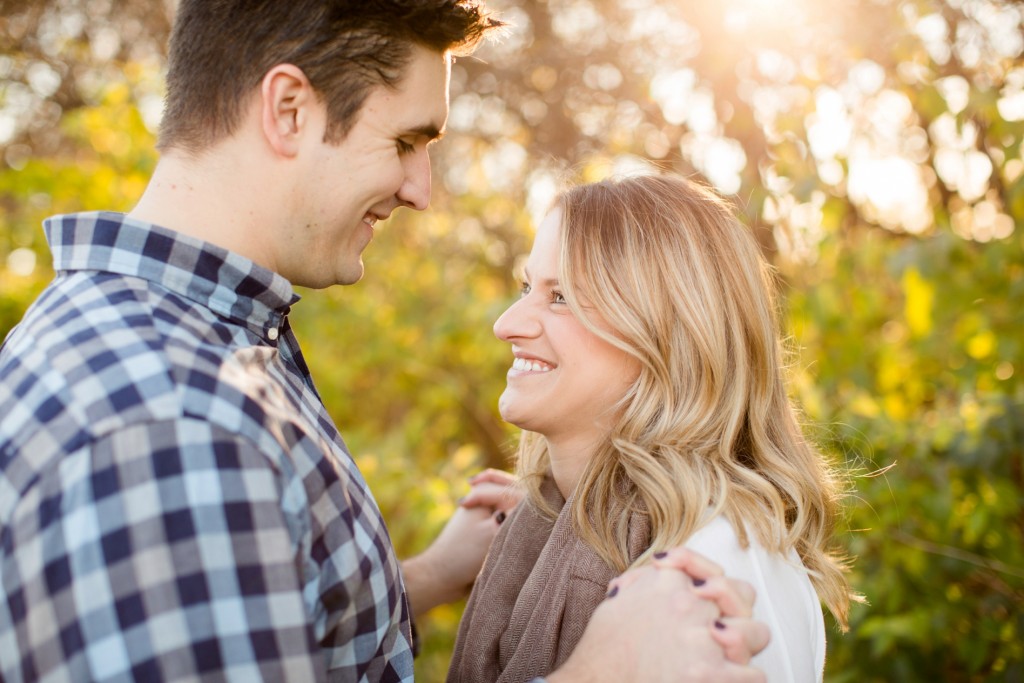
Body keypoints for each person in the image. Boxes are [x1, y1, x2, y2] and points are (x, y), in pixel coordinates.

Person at [0, 2, 770, 682]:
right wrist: (606, 671)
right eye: (406, 140)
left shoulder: (183, 339)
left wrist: (429, 575)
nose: (421, 189)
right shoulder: (169, 424)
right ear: (290, 109)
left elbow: (264, 615)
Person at [449, 174, 858, 683]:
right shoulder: (547, 528)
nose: (507, 323)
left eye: (562, 297)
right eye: (527, 287)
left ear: (669, 335)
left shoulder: (714, 562)